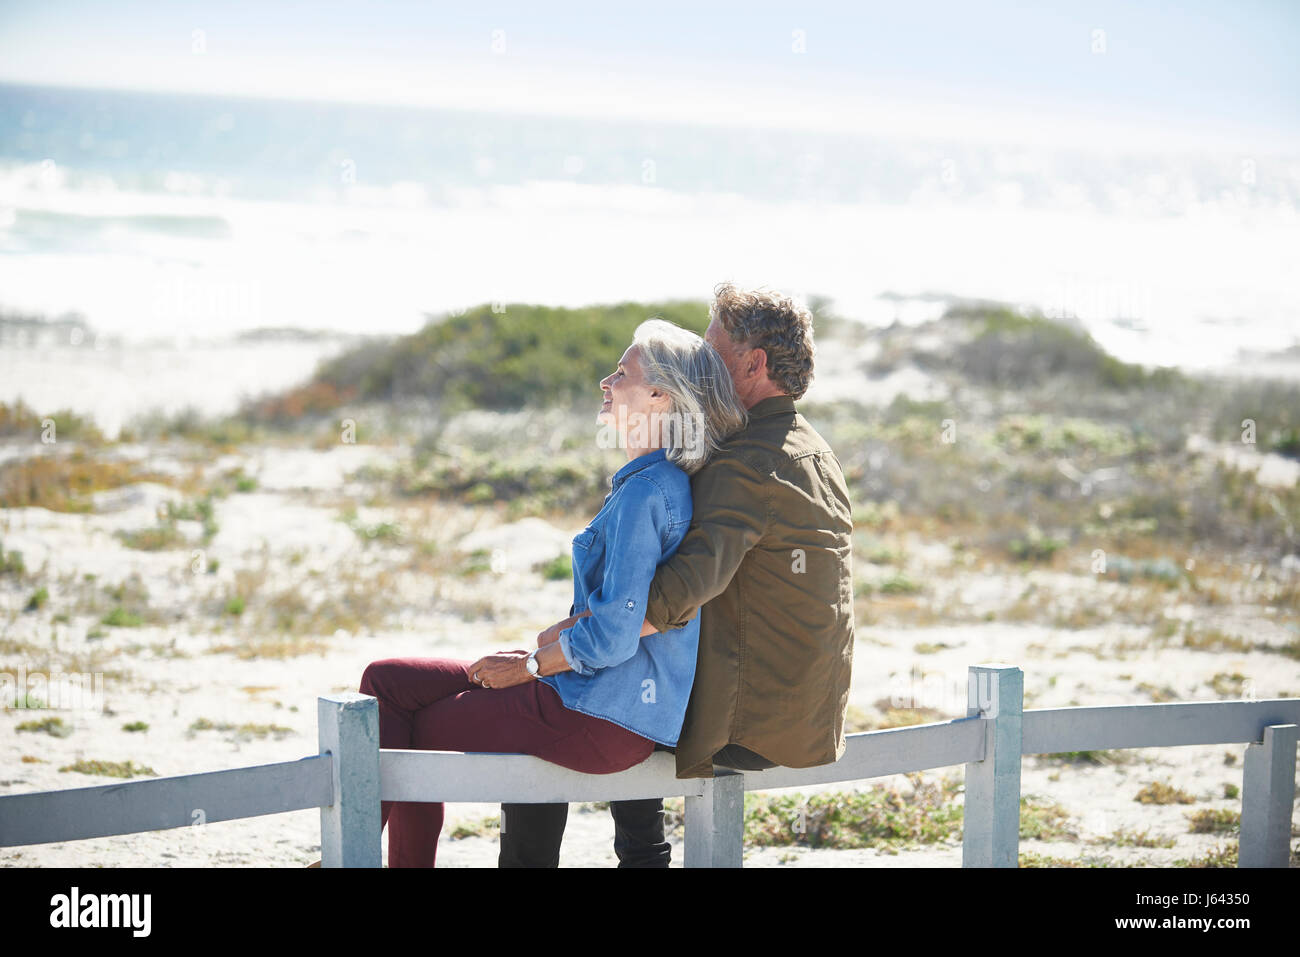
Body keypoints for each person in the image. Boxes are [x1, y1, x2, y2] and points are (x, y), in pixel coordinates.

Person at [349, 318, 747, 867]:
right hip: (597, 701)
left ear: (660, 395)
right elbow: (618, 615)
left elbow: (612, 638)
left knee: (412, 728)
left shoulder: (648, 493)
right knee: (388, 680)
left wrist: (533, 666)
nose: (605, 383)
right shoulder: (654, 482)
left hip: (599, 717)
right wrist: (543, 653)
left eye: (621, 372)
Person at [500, 282, 856, 867]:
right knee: (624, 669)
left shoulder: (746, 462)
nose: (701, 369)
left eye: (711, 354)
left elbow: (676, 594)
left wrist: (562, 645)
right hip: (808, 713)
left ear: (752, 363)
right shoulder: (814, 449)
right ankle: (643, 855)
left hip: (746, 722)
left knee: (571, 698)